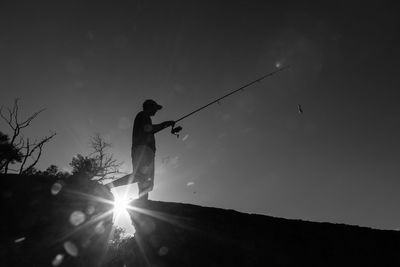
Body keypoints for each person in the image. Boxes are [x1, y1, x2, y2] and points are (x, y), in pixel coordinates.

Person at [108, 99, 175, 200]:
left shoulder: (144, 116)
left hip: (145, 150)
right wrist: (165, 124)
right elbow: (149, 129)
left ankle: (143, 201)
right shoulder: (143, 115)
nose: (156, 111)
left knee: (145, 180)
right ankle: (109, 186)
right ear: (150, 107)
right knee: (140, 176)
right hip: (143, 149)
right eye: (155, 108)